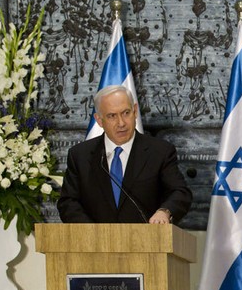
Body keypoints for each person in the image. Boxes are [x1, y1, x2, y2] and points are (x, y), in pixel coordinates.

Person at [58, 85, 192, 224]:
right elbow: (68, 202)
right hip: (94, 242)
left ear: (135, 111)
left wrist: (165, 211)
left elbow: (180, 193)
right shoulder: (81, 155)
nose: (121, 123)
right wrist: (91, 232)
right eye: (112, 116)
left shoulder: (160, 151)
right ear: (99, 120)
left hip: (146, 241)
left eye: (126, 113)